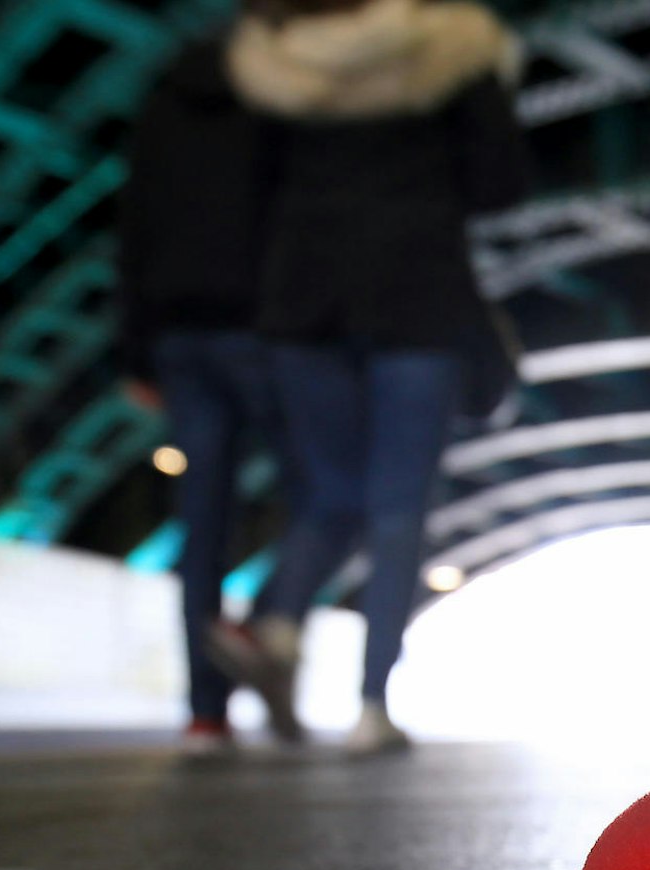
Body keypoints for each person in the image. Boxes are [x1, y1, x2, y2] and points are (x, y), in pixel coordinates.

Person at [208, 0, 531, 752]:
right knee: (397, 510)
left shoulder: (276, 65)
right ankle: (370, 709)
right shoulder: (453, 50)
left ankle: (278, 621)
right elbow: (499, 183)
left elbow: (245, 194)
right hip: (417, 295)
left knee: (328, 493)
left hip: (303, 300)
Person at [116, 16, 281, 758]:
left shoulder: (162, 107)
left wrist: (135, 354)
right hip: (261, 330)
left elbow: (135, 229)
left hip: (178, 335)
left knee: (201, 523)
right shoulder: (276, 97)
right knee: (323, 481)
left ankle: (205, 712)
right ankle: (269, 618)